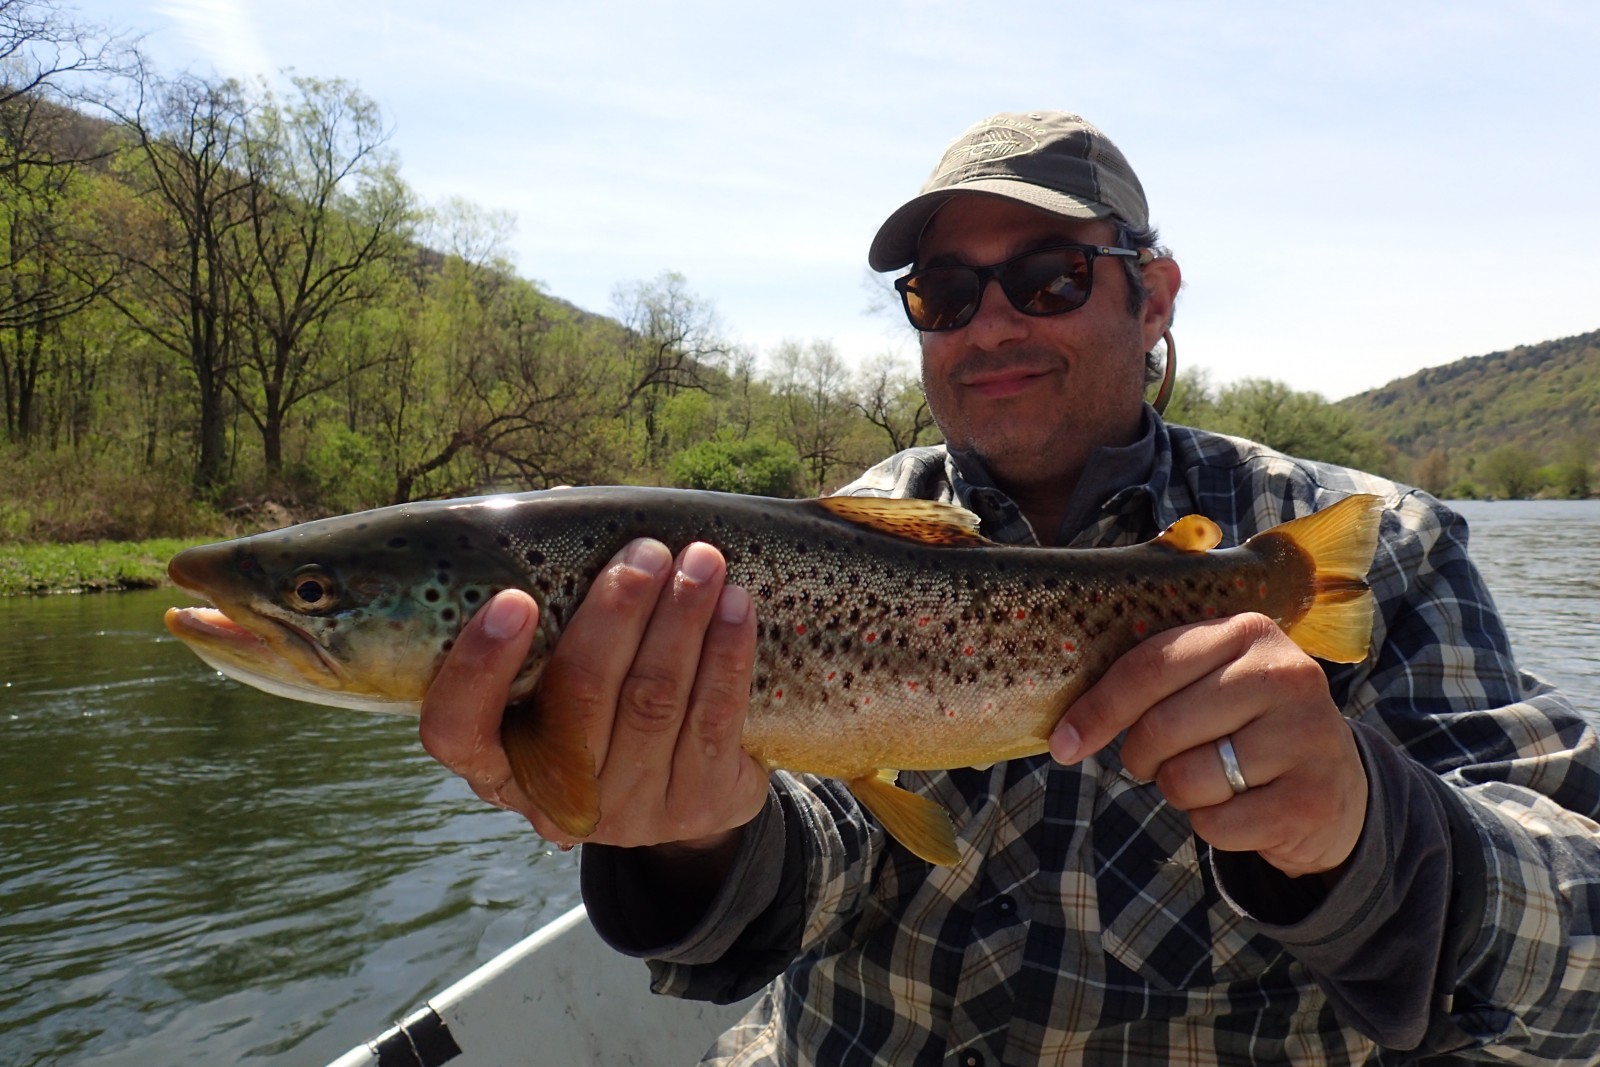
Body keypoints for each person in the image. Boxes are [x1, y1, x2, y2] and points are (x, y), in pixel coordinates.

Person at [417, 111, 1600, 1065]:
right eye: (944, 292)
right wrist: (692, 837)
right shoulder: (817, 548)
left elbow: (1581, 940)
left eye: (1046, 277)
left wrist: (1372, 832)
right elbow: (824, 856)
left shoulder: (1365, 546)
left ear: (1155, 294)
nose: (989, 325)